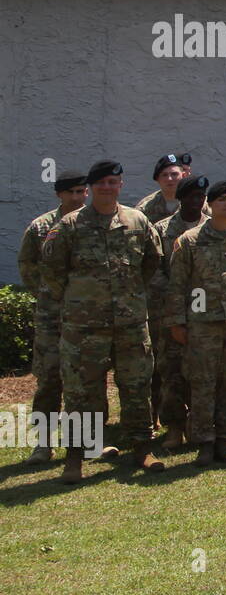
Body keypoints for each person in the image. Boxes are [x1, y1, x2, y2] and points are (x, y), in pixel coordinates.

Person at [42, 160, 165, 483]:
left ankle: (142, 448)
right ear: (91, 187)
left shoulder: (137, 221)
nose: (107, 188)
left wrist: (130, 296)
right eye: (101, 183)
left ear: (120, 185)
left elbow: (152, 261)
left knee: (137, 387)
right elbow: (52, 272)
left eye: (113, 182)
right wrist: (81, 301)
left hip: (130, 323)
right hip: (84, 327)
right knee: (82, 393)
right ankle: (75, 457)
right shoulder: (70, 226)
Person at [165, 179, 226, 466]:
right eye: (221, 199)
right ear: (211, 203)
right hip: (203, 324)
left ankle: (225, 439)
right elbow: (178, 285)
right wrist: (177, 322)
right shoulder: (190, 241)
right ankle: (204, 442)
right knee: (202, 383)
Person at [16, 170, 86, 464]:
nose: (78, 197)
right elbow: (27, 264)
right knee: (48, 379)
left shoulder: (94, 224)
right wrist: (49, 293)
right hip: (51, 317)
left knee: (85, 380)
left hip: (85, 316)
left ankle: (87, 440)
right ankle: (42, 443)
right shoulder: (41, 226)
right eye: (71, 192)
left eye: (82, 191)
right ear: (59, 194)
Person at [152, 176, 210, 450]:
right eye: (192, 196)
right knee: (172, 372)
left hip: (209, 313)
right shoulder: (162, 230)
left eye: (202, 196)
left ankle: (199, 427)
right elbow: (154, 272)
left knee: (204, 373)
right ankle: (174, 428)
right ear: (181, 199)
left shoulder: (215, 228)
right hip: (174, 311)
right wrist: (179, 297)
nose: (197, 201)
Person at [136, 154, 186, 223]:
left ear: (184, 176)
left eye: (174, 174)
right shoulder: (145, 208)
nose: (169, 179)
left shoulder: (197, 203)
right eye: (164, 175)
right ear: (157, 179)